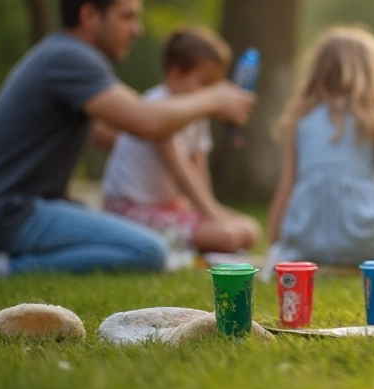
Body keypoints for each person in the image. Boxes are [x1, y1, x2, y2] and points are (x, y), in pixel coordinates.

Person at [0, 0, 255, 277]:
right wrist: (214, 98)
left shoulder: (59, 54)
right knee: (148, 250)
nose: (136, 29)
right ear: (89, 16)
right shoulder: (71, 57)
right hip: (2, 211)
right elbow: (146, 121)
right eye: (126, 17)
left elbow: (106, 135)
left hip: (1, 208)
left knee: (115, 231)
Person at [264, 26, 374, 273]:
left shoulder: (299, 120)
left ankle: (308, 261)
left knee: (296, 247)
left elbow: (285, 188)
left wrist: (275, 245)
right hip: (365, 242)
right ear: (373, 72)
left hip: (307, 243)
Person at [102, 26, 261, 256]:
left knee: (249, 228)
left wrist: (212, 211)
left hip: (169, 207)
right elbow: (181, 171)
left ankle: (199, 238)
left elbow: (199, 171)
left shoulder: (198, 118)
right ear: (175, 76)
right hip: (130, 209)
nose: (211, 95)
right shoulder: (158, 107)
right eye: (205, 83)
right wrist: (214, 217)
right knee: (227, 235)